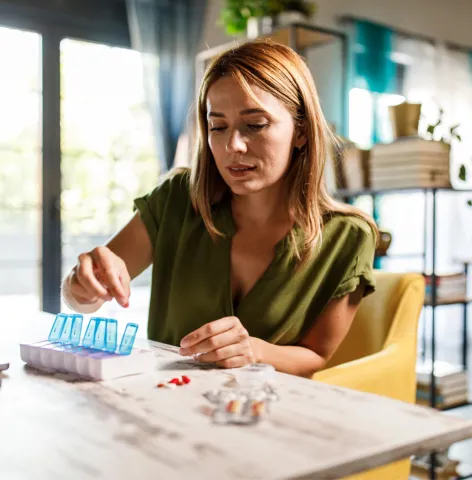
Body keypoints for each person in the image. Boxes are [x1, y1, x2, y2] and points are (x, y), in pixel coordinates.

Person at [62, 40, 377, 378]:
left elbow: (317, 356)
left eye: (255, 125)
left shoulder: (348, 236)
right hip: (165, 405)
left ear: (301, 130)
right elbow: (84, 297)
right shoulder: (177, 200)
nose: (232, 146)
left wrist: (254, 350)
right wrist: (81, 285)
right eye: (218, 126)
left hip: (265, 413)